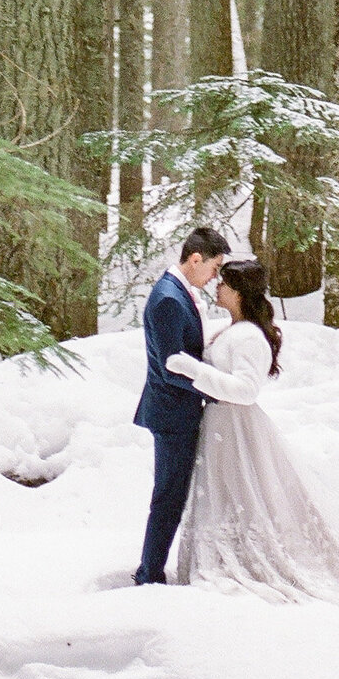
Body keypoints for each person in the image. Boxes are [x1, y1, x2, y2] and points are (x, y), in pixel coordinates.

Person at [165, 256, 339, 601]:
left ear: (240, 293)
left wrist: (195, 370)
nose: (219, 287)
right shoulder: (232, 330)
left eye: (226, 284)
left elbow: (246, 390)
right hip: (221, 426)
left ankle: (250, 559)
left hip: (236, 426)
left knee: (245, 493)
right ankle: (223, 555)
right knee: (228, 494)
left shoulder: (248, 337)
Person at [132, 224, 230, 585]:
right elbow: (170, 366)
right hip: (172, 412)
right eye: (214, 268)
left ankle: (151, 569)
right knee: (169, 496)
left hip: (177, 410)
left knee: (172, 494)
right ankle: (150, 574)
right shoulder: (170, 299)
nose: (215, 276)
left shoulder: (177, 292)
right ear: (195, 259)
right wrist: (214, 389)